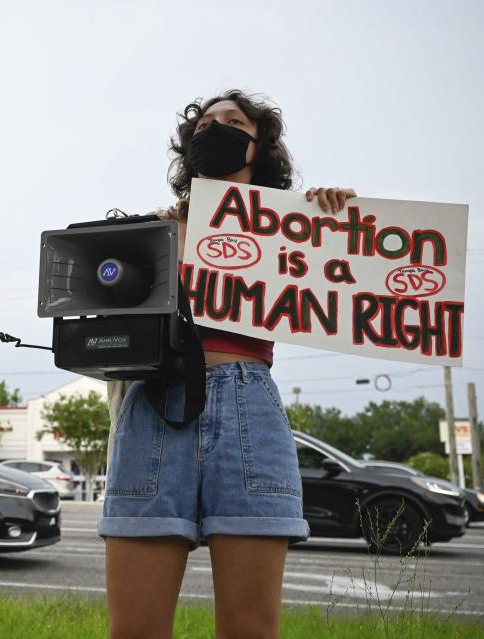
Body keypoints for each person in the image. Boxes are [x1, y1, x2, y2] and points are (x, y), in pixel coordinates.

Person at [99, 91, 356, 639]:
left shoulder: (291, 225)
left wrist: (341, 219)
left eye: (232, 121)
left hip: (248, 407)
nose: (214, 129)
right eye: (203, 125)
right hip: (155, 406)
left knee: (250, 629)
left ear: (259, 145)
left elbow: (352, 271)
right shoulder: (155, 230)